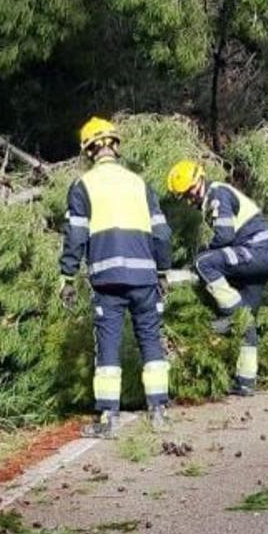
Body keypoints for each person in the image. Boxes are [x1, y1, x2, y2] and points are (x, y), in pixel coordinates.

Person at [60, 117, 171, 438]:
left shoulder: (84, 185)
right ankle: (160, 412)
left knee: (108, 344)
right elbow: (162, 233)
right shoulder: (139, 184)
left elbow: (76, 236)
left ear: (88, 151)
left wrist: (67, 275)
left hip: (107, 279)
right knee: (150, 338)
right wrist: (162, 271)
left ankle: (108, 418)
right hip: (144, 278)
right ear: (115, 146)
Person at [166, 160, 268, 396]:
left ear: (200, 179)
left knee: (203, 262)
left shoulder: (217, 194)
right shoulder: (213, 198)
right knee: (246, 321)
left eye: (191, 192)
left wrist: (205, 252)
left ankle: (230, 311)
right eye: (184, 196)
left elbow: (225, 236)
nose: (190, 199)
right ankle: (246, 382)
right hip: (261, 256)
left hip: (256, 252)